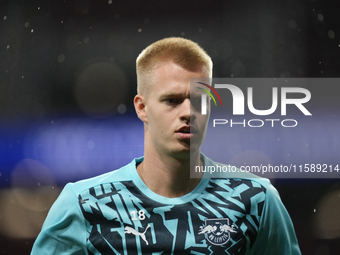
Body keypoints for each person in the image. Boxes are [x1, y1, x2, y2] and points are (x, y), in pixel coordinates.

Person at [31, 37, 301, 254]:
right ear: (142, 107)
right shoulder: (84, 204)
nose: (188, 112)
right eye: (172, 100)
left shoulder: (256, 199)